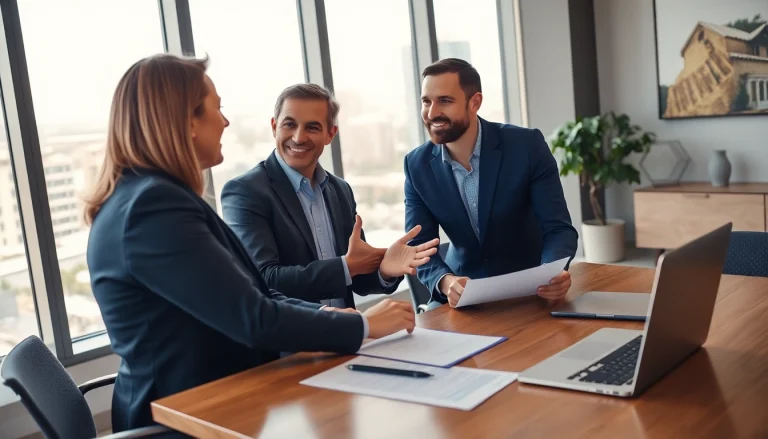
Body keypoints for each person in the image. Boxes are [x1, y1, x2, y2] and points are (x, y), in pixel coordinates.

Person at [84, 54, 415, 435]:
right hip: (188, 416)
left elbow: (254, 293)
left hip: (222, 395)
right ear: (186, 121)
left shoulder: (150, 197)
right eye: (217, 108)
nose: (225, 121)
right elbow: (252, 316)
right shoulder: (154, 208)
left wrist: (343, 314)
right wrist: (362, 325)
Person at [221, 84, 439, 309]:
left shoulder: (340, 190)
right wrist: (347, 267)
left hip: (350, 337)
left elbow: (358, 279)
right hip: (294, 341)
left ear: (330, 134)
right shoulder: (245, 192)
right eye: (289, 124)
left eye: (312, 127)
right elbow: (264, 281)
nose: (298, 137)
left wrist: (385, 270)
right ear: (274, 126)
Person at [403, 58, 579, 309]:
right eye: (426, 101)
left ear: (474, 102)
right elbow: (419, 247)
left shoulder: (526, 146)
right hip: (462, 291)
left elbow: (558, 229)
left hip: (530, 286)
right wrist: (445, 281)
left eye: (445, 101)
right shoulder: (416, 165)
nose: (432, 113)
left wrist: (552, 273)